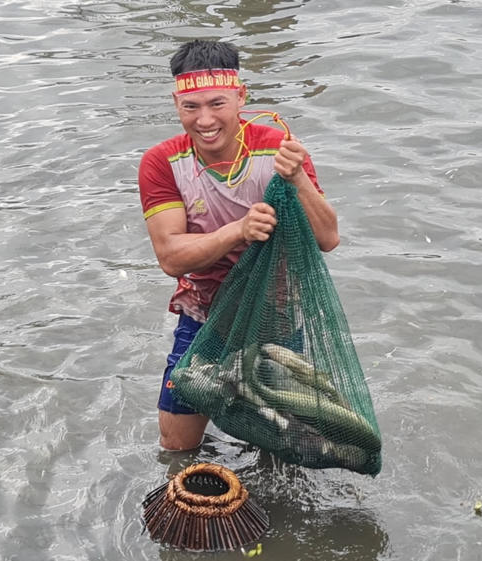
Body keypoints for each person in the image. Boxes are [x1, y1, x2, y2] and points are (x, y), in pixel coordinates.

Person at [137, 39, 340, 451]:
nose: (205, 120)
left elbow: (328, 239)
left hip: (276, 312)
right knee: (176, 444)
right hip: (205, 310)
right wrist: (238, 230)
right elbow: (170, 257)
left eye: (217, 104)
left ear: (240, 97)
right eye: (190, 107)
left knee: (281, 445)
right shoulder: (162, 162)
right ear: (176, 102)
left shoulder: (276, 147)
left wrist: (298, 179)